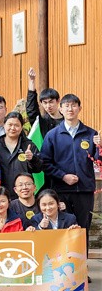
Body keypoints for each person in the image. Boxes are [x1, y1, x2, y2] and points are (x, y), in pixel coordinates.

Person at [40, 94, 99, 234]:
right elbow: (44, 163)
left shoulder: (91, 134)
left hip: (84, 190)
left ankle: (83, 250)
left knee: (83, 229)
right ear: (61, 109)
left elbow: (98, 161)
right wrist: (63, 176)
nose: (70, 109)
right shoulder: (52, 135)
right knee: (62, 230)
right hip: (61, 190)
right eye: (66, 106)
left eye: (73, 105)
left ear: (80, 108)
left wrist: (100, 147)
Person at [0, 112, 43, 192]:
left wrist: (32, 159)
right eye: (10, 124)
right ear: (4, 125)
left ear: (21, 127)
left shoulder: (28, 145)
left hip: (23, 191)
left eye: (16, 125)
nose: (13, 128)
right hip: (1, 192)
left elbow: (38, 169)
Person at [26, 67, 62, 138]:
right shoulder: (42, 122)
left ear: (58, 101)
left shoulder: (67, 120)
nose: (48, 106)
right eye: (45, 103)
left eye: (51, 102)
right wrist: (32, 81)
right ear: (41, 103)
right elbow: (31, 111)